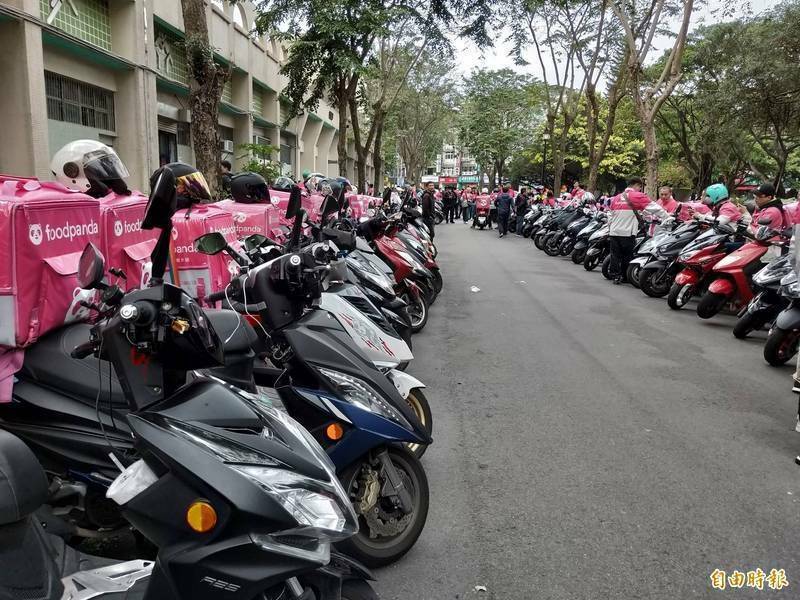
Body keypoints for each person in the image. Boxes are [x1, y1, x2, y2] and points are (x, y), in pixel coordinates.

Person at [608, 177, 670, 284]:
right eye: (640, 187)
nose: (640, 190)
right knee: (626, 255)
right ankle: (624, 276)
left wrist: (611, 227)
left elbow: (610, 215)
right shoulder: (638, 196)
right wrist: (667, 217)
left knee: (615, 255)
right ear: (637, 185)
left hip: (614, 231)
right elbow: (655, 208)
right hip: (627, 232)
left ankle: (614, 275)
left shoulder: (617, 197)